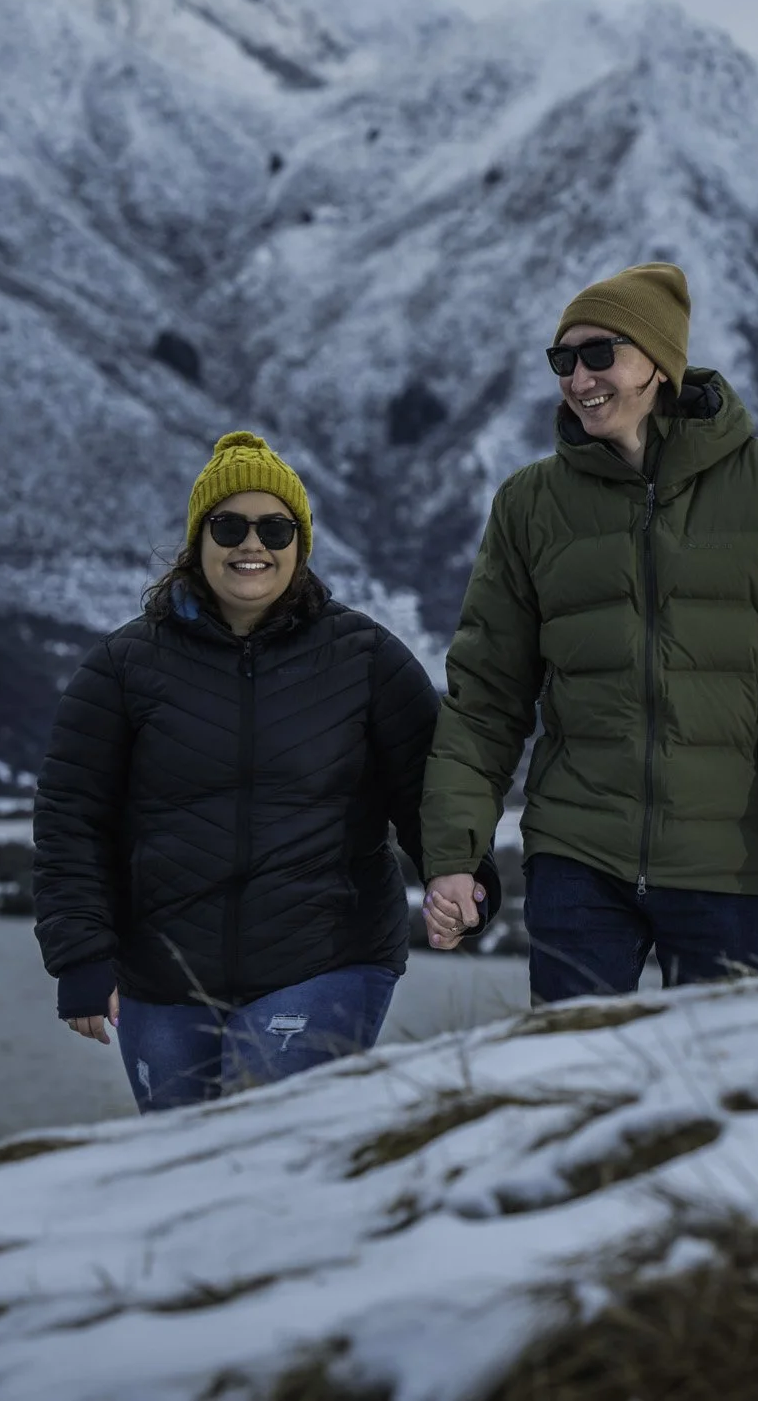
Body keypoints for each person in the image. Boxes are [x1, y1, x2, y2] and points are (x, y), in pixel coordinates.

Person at [418, 263, 758, 1002]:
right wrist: (452, 855)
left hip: (728, 860)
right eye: (563, 359)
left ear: (660, 363)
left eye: (600, 353)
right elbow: (485, 700)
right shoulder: (529, 504)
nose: (579, 377)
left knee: (721, 1086)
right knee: (568, 1080)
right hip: (577, 857)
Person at [31, 431, 494, 1111]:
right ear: (199, 541)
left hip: (324, 960)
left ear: (300, 544)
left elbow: (431, 785)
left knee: (268, 1139)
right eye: (230, 526)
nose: (253, 544)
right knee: (181, 1167)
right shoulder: (123, 667)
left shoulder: (365, 658)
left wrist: (464, 880)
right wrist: (79, 955)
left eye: (275, 527)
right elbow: (71, 816)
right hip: (163, 975)